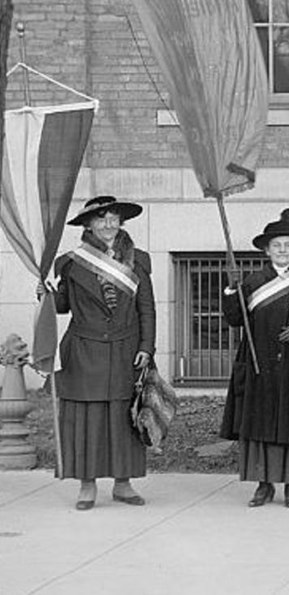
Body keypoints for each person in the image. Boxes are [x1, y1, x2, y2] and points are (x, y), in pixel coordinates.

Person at [219, 208, 289, 508]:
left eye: (288, 246)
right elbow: (234, 319)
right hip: (261, 369)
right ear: (267, 250)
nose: (283, 251)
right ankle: (263, 486)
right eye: (277, 246)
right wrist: (231, 289)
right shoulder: (254, 282)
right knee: (262, 427)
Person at [51, 196, 156, 511]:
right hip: (85, 350)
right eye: (101, 219)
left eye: (113, 218)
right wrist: (46, 293)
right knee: (89, 420)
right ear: (88, 225)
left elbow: (146, 310)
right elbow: (62, 307)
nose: (108, 224)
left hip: (126, 349)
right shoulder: (70, 262)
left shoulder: (138, 260)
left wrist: (146, 348)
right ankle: (87, 485)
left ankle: (123, 484)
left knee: (124, 419)